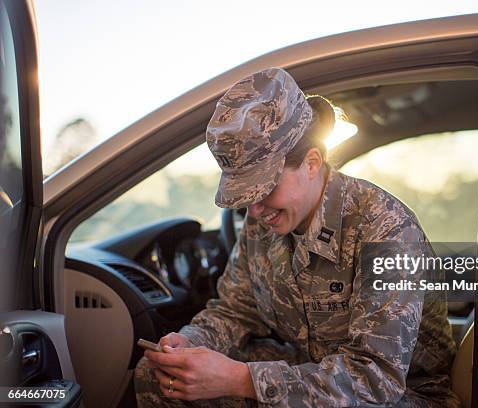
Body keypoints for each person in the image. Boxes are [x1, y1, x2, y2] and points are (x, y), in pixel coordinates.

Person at [134, 68, 460, 407]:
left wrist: (241, 379)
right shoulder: (262, 222)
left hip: (401, 395)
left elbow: (374, 380)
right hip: (308, 366)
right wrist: (190, 344)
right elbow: (234, 311)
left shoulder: (386, 229)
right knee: (159, 379)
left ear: (312, 162)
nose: (254, 210)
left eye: (264, 190)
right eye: (245, 196)